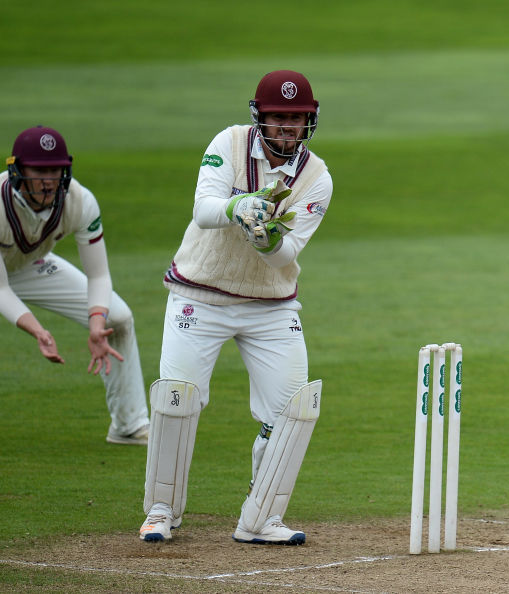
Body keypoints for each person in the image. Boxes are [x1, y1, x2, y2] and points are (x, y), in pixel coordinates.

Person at [138, 70, 331, 545]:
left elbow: (288, 254)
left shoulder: (317, 178)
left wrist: (266, 240)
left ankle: (261, 518)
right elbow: (204, 209)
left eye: (296, 118)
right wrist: (239, 207)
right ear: (259, 116)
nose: (287, 127)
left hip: (270, 305)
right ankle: (161, 512)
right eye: (278, 117)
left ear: (309, 121)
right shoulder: (228, 142)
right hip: (199, 294)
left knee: (295, 409)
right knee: (177, 399)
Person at [1, 125, 150, 445]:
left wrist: (96, 326)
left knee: (117, 317)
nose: (48, 180)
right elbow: (1, 290)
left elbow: (99, 276)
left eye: (54, 170)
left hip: (26, 265)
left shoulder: (79, 201)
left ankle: (129, 425)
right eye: (39, 171)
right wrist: (39, 331)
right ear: (17, 171)